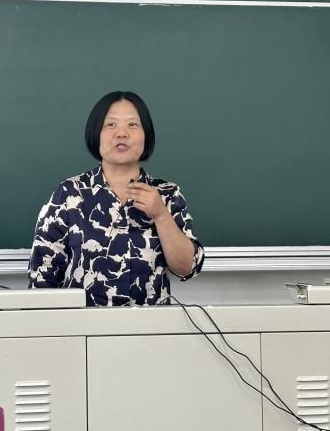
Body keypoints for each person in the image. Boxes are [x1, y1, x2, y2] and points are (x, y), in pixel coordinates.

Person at [28, 90, 204, 306]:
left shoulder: (167, 194)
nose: (122, 133)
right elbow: (42, 276)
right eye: (110, 124)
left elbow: (187, 267)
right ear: (96, 133)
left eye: (132, 125)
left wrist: (161, 215)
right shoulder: (69, 194)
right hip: (83, 324)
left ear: (146, 135)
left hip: (152, 324)